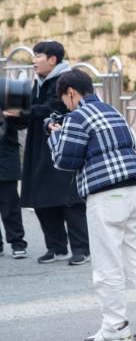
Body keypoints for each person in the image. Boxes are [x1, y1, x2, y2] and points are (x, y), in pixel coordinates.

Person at [48, 70, 136, 341]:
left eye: (65, 100)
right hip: (132, 193)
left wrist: (55, 136)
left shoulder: (77, 117)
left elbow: (64, 161)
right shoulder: (113, 111)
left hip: (105, 197)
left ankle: (115, 325)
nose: (66, 106)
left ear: (71, 92)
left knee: (107, 263)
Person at [6, 41, 88, 265]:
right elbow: (27, 115)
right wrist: (13, 112)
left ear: (53, 59)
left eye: (38, 56)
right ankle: (56, 247)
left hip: (62, 141)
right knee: (42, 197)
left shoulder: (67, 80)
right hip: (38, 145)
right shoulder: (37, 83)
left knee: (69, 199)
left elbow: (57, 108)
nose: (34, 60)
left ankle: (81, 248)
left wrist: (25, 111)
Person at [0, 110, 26, 259]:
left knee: (10, 204)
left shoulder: (7, 94)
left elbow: (22, 123)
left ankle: (17, 242)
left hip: (6, 156)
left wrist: (9, 115)